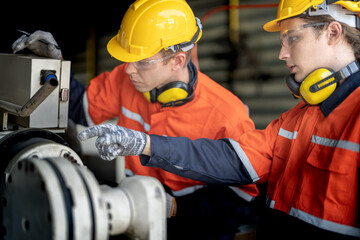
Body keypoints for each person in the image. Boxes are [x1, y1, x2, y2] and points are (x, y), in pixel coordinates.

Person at [78, 0, 360, 239]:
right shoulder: (297, 119)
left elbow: (235, 201)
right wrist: (145, 144)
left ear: (333, 32)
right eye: (282, 41)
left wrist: (176, 210)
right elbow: (234, 159)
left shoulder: (354, 116)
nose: (281, 53)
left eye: (293, 37)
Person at [12, 0, 261, 239]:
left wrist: (175, 208)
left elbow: (239, 197)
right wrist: (55, 64)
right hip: (132, 208)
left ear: (177, 60)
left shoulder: (227, 115)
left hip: (198, 227)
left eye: (142, 62)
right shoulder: (126, 79)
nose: (129, 69)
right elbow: (79, 107)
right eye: (128, 59)